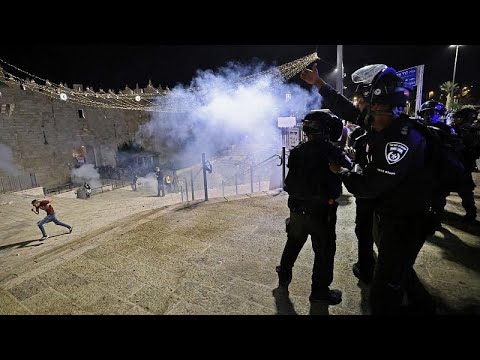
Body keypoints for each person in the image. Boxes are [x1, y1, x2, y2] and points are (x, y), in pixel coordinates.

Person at [301, 63, 436, 314]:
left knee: (384, 291)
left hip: (405, 221)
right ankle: (425, 305)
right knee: (400, 272)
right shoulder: (384, 121)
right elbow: (346, 109)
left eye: (369, 102)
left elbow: (369, 187)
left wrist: (342, 172)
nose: (366, 111)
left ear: (381, 103)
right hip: (392, 214)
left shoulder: (400, 139)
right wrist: (319, 83)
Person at [275, 109, 352, 305]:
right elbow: (348, 166)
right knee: (324, 252)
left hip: (297, 209)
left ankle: (283, 277)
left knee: (293, 243)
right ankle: (319, 291)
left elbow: (290, 182)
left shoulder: (298, 150)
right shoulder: (332, 151)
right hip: (321, 213)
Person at [418, 100, 472, 225]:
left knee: (463, 191)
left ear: (440, 114)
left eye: (433, 113)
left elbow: (457, 148)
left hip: (445, 168)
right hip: (426, 167)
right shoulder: (418, 127)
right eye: (426, 113)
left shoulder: (447, 129)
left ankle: (470, 213)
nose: (429, 116)